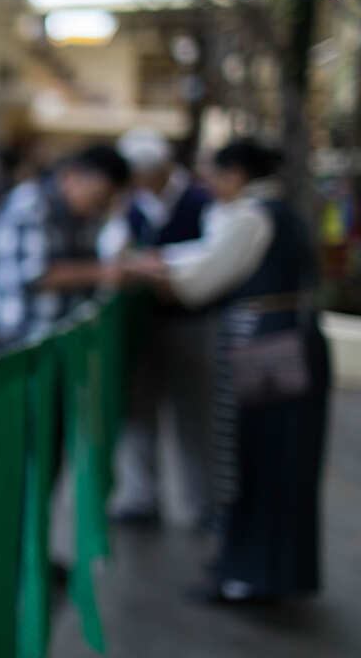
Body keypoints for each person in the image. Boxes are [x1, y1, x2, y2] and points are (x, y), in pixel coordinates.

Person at [126, 139, 331, 603]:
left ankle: (250, 574)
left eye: (214, 174)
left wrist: (146, 272)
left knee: (258, 456)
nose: (209, 185)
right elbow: (202, 255)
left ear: (236, 174)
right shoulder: (277, 209)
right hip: (286, 341)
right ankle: (265, 568)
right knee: (279, 457)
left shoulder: (251, 215)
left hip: (267, 347)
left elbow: (198, 283)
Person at [108, 129, 215, 526]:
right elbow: (115, 250)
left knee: (195, 414)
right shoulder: (132, 206)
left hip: (189, 322)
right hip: (142, 321)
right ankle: (140, 497)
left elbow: (209, 259)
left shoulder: (199, 202)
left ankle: (203, 503)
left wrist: (157, 264)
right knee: (138, 412)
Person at [0, 144, 130, 353]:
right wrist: (104, 272)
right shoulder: (30, 205)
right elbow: (36, 274)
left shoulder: (86, 215)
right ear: (72, 177)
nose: (99, 207)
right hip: (17, 341)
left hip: (58, 341)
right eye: (97, 197)